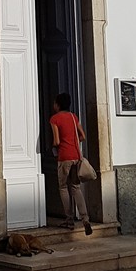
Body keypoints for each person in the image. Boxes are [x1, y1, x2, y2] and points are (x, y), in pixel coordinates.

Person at [50, 92, 93, 233]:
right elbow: (83, 136)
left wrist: (54, 147)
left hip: (64, 157)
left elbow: (56, 141)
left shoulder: (54, 119)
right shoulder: (73, 117)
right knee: (75, 187)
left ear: (58, 104)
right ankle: (85, 218)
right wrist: (72, 142)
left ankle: (69, 219)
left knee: (63, 187)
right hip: (76, 155)